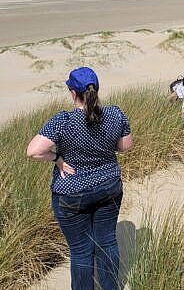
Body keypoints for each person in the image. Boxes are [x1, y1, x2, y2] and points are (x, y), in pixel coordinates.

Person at [26, 67, 133, 290]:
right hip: (108, 186)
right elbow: (125, 147)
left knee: (81, 251)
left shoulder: (63, 121)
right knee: (107, 242)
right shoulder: (114, 114)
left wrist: (57, 158)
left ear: (72, 92)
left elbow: (33, 151)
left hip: (71, 193)